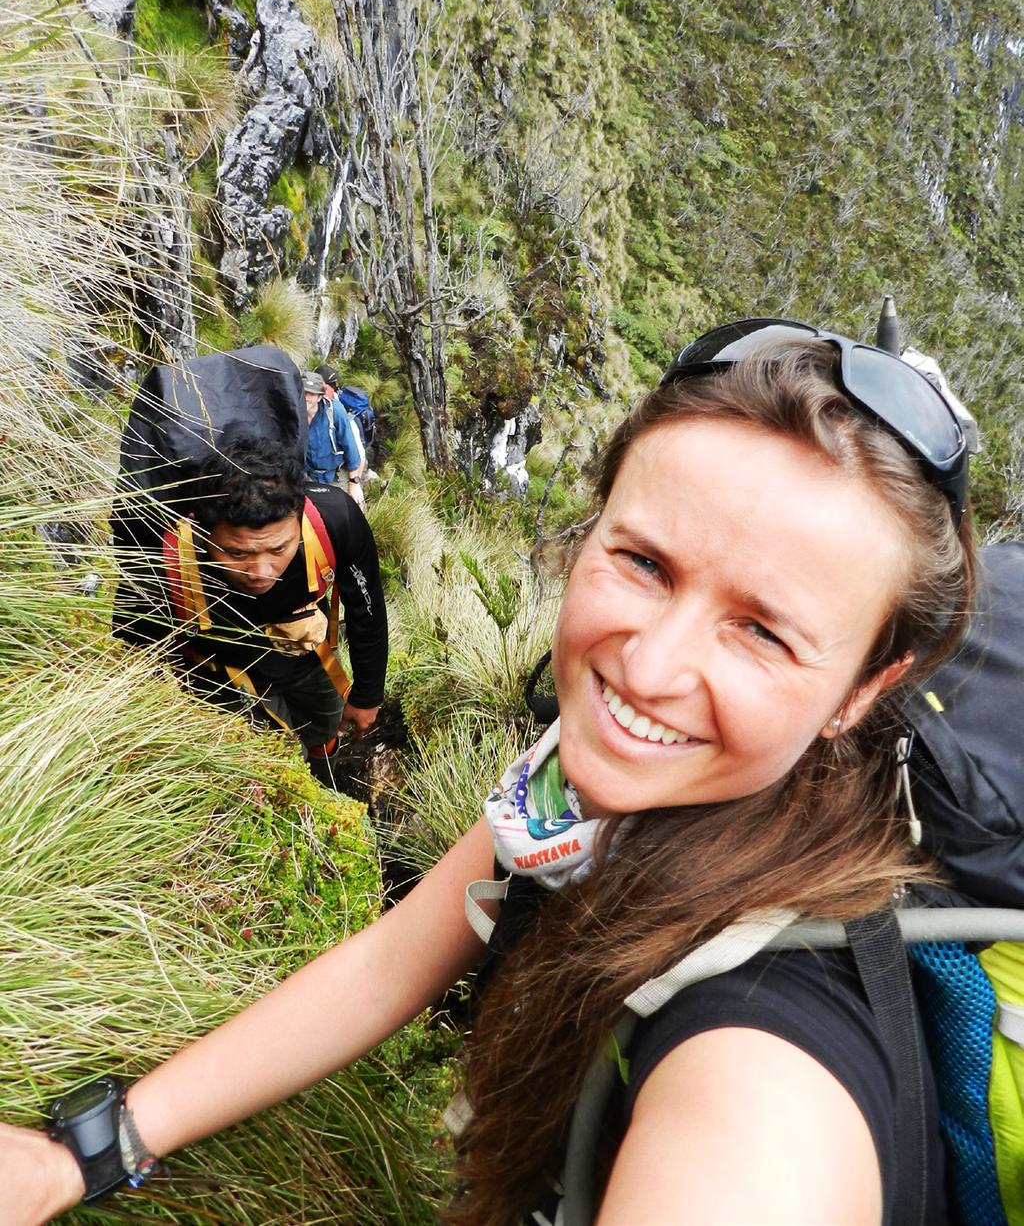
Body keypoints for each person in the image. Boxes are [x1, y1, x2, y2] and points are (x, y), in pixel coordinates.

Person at [6, 319, 975, 1225]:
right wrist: (87, 1149)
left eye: (761, 629)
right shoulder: (581, 779)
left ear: (865, 685)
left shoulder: (761, 1081)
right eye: (642, 561)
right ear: (588, 529)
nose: (646, 667)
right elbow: (392, 960)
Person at [112, 436, 387, 782]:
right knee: (275, 766)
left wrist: (366, 695)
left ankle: (327, 778)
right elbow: (135, 645)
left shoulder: (335, 519)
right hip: (218, 671)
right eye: (237, 553)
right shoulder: (161, 550)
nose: (260, 572)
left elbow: (367, 609)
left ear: (300, 516)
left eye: (278, 548)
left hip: (305, 655)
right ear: (200, 527)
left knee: (326, 724)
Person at [303, 371, 366, 508]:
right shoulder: (294, 414)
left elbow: (351, 447)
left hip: (335, 475)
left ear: (320, 397)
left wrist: (354, 483)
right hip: (306, 475)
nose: (306, 398)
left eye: (312, 394)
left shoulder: (335, 412)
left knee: (350, 511)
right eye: (304, 392)